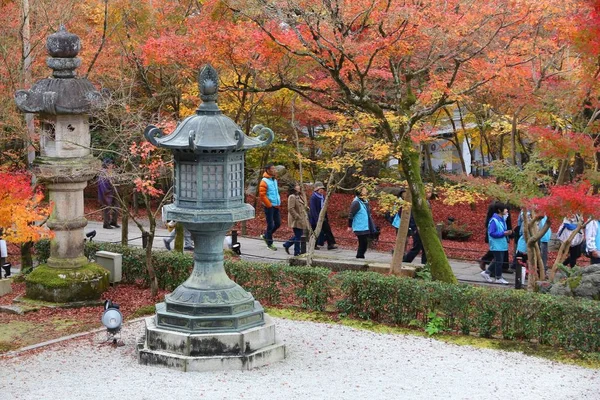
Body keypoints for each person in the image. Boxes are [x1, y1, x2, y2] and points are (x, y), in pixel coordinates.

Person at [480, 203, 512, 284]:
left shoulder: (501, 219)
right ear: (499, 210)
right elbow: (491, 233)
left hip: (501, 244)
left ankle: (487, 273)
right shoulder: (494, 220)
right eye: (505, 209)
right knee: (499, 261)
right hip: (497, 244)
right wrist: (503, 233)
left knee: (498, 260)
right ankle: (498, 277)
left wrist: (507, 232)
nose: (507, 210)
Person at [347, 186, 375, 259]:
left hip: (365, 226)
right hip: (359, 226)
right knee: (363, 242)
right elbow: (351, 215)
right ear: (360, 192)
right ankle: (359, 256)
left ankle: (360, 256)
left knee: (364, 243)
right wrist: (349, 226)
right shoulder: (356, 203)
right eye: (364, 190)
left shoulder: (365, 201)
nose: (366, 191)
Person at [308, 182, 338, 250]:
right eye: (320, 189)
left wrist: (325, 217)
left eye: (322, 189)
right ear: (316, 190)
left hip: (323, 217)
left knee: (327, 230)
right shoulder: (314, 197)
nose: (321, 190)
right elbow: (313, 209)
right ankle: (313, 245)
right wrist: (316, 219)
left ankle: (331, 244)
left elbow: (324, 208)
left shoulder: (323, 197)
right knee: (315, 232)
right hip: (315, 218)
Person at [259, 163, 281, 251]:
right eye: (273, 168)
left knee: (278, 223)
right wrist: (269, 204)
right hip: (269, 206)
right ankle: (269, 243)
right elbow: (262, 195)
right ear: (268, 170)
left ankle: (266, 236)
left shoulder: (274, 179)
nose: (275, 170)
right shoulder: (264, 181)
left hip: (275, 205)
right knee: (270, 225)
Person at [283, 183, 309, 256]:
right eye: (297, 185)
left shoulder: (299, 196)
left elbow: (302, 205)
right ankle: (297, 252)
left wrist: (306, 208)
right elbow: (290, 209)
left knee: (298, 235)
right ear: (294, 188)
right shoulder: (292, 197)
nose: (299, 186)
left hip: (301, 219)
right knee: (298, 236)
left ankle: (287, 244)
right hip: (296, 220)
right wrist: (297, 217)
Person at [98, 158, 120, 229]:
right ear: (107, 165)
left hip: (113, 191)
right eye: (110, 164)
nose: (112, 165)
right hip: (106, 192)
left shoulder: (112, 171)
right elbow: (103, 184)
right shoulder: (103, 173)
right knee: (106, 207)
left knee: (116, 206)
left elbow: (115, 180)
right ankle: (106, 224)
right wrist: (110, 187)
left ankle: (114, 221)